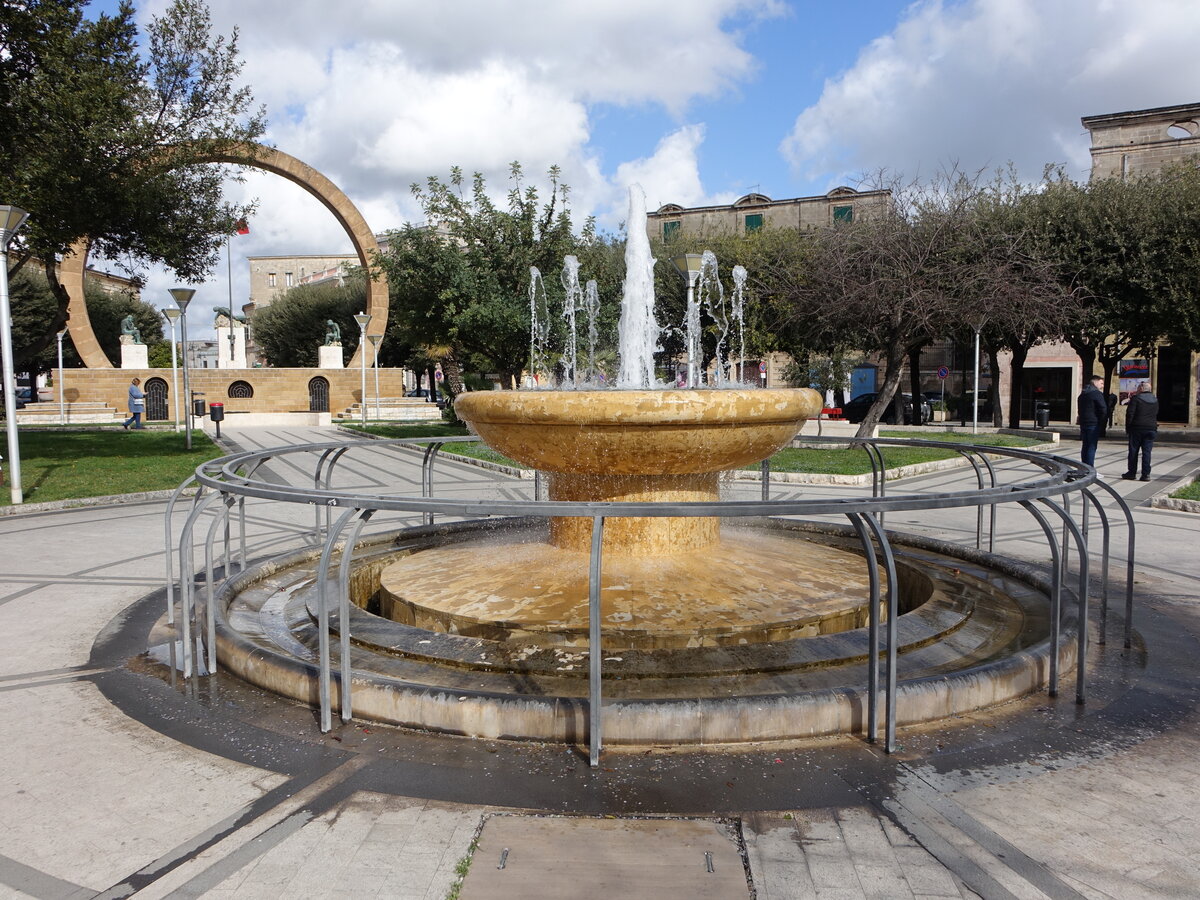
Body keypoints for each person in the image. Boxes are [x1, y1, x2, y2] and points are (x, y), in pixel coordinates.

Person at [1122, 381, 1159, 481]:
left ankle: (1132, 473)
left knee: (1133, 451)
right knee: (1147, 452)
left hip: (1137, 428)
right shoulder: (1155, 399)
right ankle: (1146, 474)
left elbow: (1130, 414)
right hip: (1151, 428)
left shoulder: (1136, 399)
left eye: (1138, 387)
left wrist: (1128, 428)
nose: (1137, 389)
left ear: (1142, 388)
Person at [1076, 374, 1107, 468]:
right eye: (1101, 383)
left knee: (1085, 445)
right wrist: (1102, 421)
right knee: (1091, 446)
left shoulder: (1083, 394)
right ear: (1095, 382)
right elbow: (1103, 409)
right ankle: (1090, 468)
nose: (1102, 386)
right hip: (1094, 423)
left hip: (1084, 422)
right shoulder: (1096, 394)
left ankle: (1084, 467)